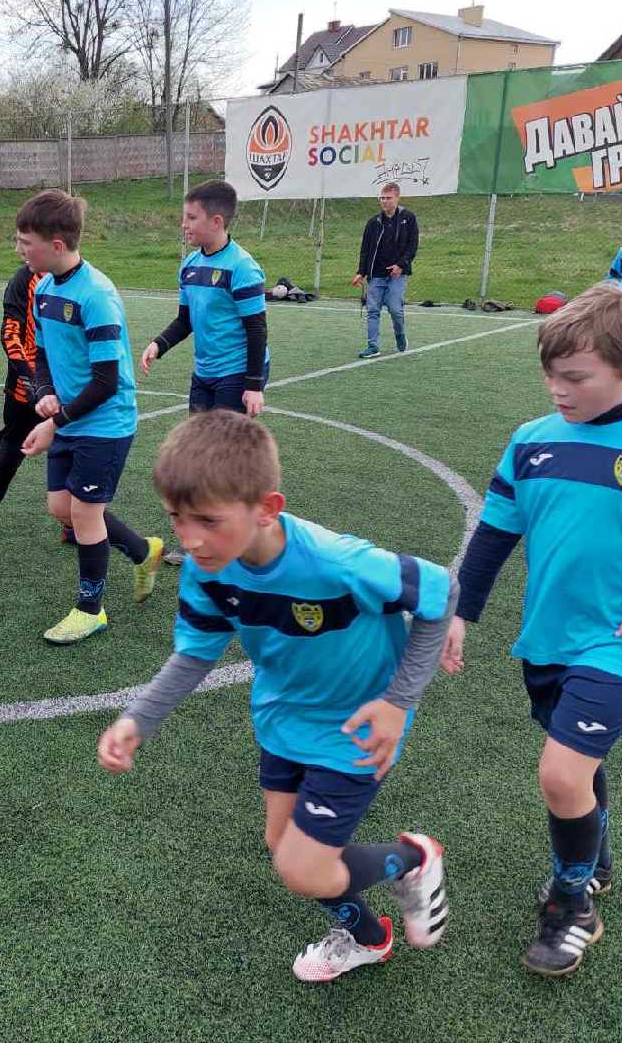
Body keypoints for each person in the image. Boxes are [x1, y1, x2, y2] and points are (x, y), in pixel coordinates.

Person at [442, 282, 622, 977]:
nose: (558, 389)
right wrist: (460, 612)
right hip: (548, 635)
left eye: (575, 377)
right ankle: (593, 861)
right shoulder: (532, 441)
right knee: (577, 766)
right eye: (551, 374)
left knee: (560, 771)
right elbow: (494, 534)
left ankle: (571, 905)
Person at [99, 411, 454, 983]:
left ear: (266, 508)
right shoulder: (208, 570)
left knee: (301, 869)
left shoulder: (336, 562)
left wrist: (398, 701)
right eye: (175, 518)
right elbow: (196, 653)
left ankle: (415, 859)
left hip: (357, 728)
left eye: (208, 520)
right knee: (281, 843)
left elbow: (440, 591)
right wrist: (138, 719)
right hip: (282, 718)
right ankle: (368, 938)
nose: (189, 539)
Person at [15, 189, 165, 646]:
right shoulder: (43, 289)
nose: (19, 250)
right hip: (70, 417)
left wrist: (54, 422)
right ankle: (142, 550)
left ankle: (90, 609)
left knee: (83, 513)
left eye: (26, 242)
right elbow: (42, 353)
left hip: (105, 421)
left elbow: (105, 382)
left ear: (56, 245)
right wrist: (44, 394)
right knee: (61, 508)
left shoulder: (96, 295)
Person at [141, 178, 269, 567]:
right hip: (205, 373)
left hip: (237, 374)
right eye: (184, 216)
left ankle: (241, 536)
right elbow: (185, 321)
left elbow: (256, 329)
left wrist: (253, 386)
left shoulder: (242, 268)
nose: (184, 224)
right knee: (197, 455)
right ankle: (200, 535)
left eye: (191, 217)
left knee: (223, 458)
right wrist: (158, 344)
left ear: (216, 221)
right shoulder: (190, 266)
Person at [0, 238, 45, 535]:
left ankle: (71, 518)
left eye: (25, 242)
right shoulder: (22, 280)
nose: (19, 249)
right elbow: (10, 333)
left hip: (67, 388)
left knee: (72, 448)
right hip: (24, 388)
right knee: (13, 445)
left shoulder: (78, 282)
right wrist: (29, 378)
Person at [353, 182, 418, 359]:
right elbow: (365, 249)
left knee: (395, 309)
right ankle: (373, 346)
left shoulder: (408, 218)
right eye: (382, 198)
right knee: (372, 310)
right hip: (376, 275)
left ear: (397, 198)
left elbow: (413, 246)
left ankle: (400, 336)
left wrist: (401, 265)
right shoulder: (373, 222)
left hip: (397, 274)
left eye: (388, 198)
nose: (384, 201)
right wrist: (361, 272)